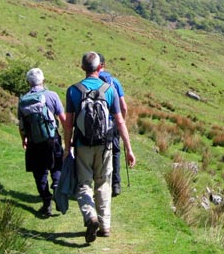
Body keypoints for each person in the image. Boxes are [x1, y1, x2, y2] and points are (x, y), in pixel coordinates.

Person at [64, 51, 136, 243]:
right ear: (99, 67)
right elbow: (120, 121)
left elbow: (68, 124)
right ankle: (105, 226)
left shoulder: (73, 90)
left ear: (82, 68)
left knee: (84, 184)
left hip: (82, 146)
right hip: (105, 146)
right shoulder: (109, 89)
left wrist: (66, 149)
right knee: (103, 184)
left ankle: (90, 216)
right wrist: (128, 149)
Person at [18, 68, 65, 217]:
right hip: (52, 139)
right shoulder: (52, 95)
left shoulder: (23, 100)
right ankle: (57, 184)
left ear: (28, 82)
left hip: (34, 142)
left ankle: (46, 202)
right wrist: (68, 138)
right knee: (57, 165)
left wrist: (23, 140)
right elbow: (63, 119)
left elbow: (21, 125)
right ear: (43, 80)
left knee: (39, 173)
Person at [97, 52, 128, 197]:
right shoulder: (114, 82)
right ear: (104, 65)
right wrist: (121, 121)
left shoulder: (90, 81)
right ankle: (115, 184)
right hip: (112, 123)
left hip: (95, 124)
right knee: (115, 152)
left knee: (96, 151)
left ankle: (98, 182)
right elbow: (123, 106)